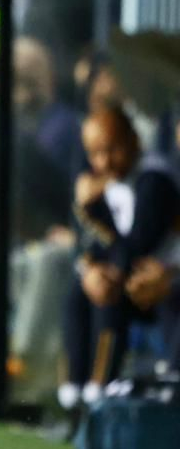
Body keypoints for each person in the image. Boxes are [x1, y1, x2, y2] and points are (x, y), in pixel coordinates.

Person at [60, 107, 180, 418]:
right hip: (137, 279)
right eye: (95, 153)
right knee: (78, 294)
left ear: (134, 141)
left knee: (109, 295)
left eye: (112, 149)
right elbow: (101, 245)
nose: (104, 162)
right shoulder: (110, 183)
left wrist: (109, 272)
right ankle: (73, 390)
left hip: (163, 282)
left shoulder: (154, 179)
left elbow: (139, 242)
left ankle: (102, 391)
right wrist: (91, 268)